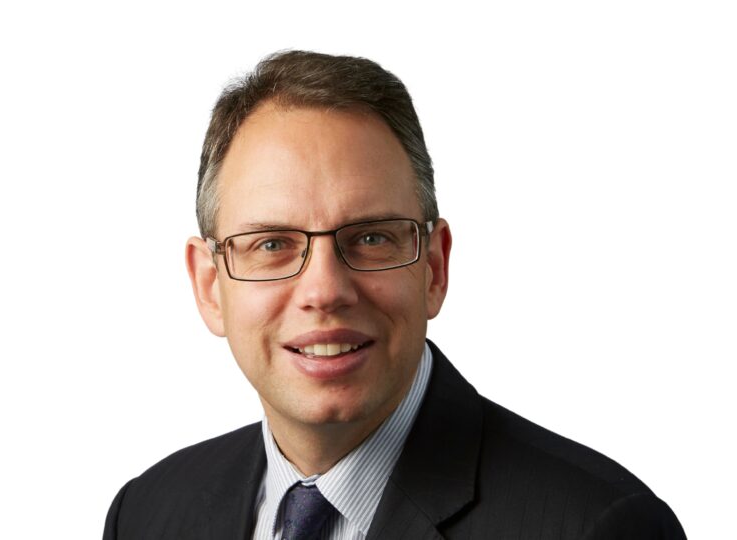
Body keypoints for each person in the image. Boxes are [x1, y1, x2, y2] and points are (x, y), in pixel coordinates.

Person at [103, 50, 685, 539]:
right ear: (209, 286)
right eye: (273, 244)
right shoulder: (146, 515)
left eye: (371, 238)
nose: (324, 291)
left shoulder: (598, 525)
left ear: (433, 267)